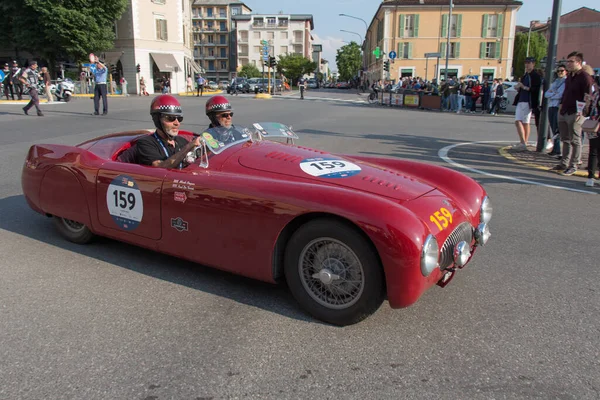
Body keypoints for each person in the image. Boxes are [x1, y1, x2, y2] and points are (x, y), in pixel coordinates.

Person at [551, 51, 594, 176]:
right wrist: (560, 106)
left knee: (575, 140)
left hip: (576, 112)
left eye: (571, 62)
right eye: (567, 62)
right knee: (565, 139)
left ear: (579, 63)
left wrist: (582, 111)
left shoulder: (585, 77)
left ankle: (573, 165)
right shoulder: (570, 76)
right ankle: (564, 163)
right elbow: (566, 93)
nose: (568, 64)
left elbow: (588, 96)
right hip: (564, 110)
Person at [135, 94, 201, 168]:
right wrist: (188, 147)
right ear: (157, 119)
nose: (177, 123)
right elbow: (159, 167)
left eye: (179, 119)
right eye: (171, 118)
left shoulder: (181, 141)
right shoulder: (146, 143)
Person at [512, 57, 542, 150]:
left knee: (521, 121)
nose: (527, 65)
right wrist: (519, 87)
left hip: (527, 101)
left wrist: (524, 87)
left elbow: (536, 89)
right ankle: (523, 142)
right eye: (526, 63)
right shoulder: (525, 75)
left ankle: (523, 142)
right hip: (521, 99)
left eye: (529, 63)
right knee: (521, 121)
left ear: (533, 64)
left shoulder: (535, 76)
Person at [545, 65, 567, 157]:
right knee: (553, 128)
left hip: (558, 106)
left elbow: (560, 95)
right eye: (558, 71)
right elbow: (546, 94)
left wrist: (552, 94)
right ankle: (555, 148)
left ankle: (558, 150)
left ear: (566, 71)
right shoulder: (555, 82)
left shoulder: (565, 82)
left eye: (561, 71)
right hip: (551, 106)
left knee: (558, 129)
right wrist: (553, 94)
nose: (559, 73)